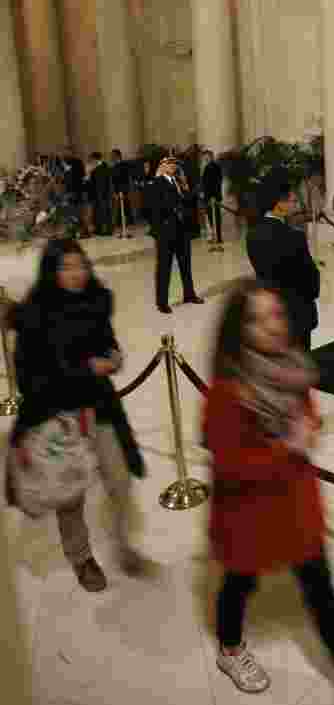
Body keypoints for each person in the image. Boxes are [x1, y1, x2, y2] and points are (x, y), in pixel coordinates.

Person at [203, 278, 334, 701]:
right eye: (256, 320)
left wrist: (308, 429)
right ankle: (230, 646)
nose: (272, 326)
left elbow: (304, 413)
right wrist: (287, 445)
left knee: (318, 584)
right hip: (247, 511)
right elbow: (230, 466)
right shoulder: (229, 390)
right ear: (237, 330)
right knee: (240, 581)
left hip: (294, 502)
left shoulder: (292, 367)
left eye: (275, 314)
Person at [6, 238, 147, 592]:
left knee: (118, 478)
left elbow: (107, 341)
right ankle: (81, 557)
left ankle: (124, 543)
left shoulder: (96, 301)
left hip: (98, 407)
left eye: (80, 265)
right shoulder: (34, 315)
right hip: (57, 414)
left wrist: (113, 356)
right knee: (70, 494)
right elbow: (30, 378)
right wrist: (86, 368)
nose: (76, 273)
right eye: (66, 267)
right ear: (52, 272)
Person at [246, 170, 320, 351]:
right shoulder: (293, 236)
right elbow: (309, 278)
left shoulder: (252, 234)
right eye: (292, 201)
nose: (294, 205)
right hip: (296, 311)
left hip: (271, 311)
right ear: (279, 204)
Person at [147, 156, 204, 314]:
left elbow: (185, 201)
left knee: (185, 264)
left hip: (182, 229)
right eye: (169, 163)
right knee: (164, 268)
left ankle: (189, 294)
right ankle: (162, 302)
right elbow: (151, 209)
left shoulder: (179, 181)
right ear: (162, 166)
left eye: (174, 164)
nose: (173, 166)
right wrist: (160, 227)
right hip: (166, 232)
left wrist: (190, 190)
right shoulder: (155, 183)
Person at [201, 150, 225, 246]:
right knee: (210, 217)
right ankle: (214, 236)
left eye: (207, 156)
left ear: (211, 156)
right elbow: (204, 182)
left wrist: (213, 196)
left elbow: (217, 182)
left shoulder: (215, 166)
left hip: (213, 197)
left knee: (216, 217)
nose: (206, 158)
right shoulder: (206, 166)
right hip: (208, 196)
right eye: (204, 157)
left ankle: (218, 237)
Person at [110, 149, 134, 234]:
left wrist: (121, 191)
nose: (111, 157)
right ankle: (122, 223)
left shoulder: (124, 165)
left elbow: (125, 179)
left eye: (113, 155)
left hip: (123, 189)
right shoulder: (114, 166)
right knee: (122, 207)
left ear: (117, 156)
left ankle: (126, 223)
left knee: (125, 206)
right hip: (117, 189)